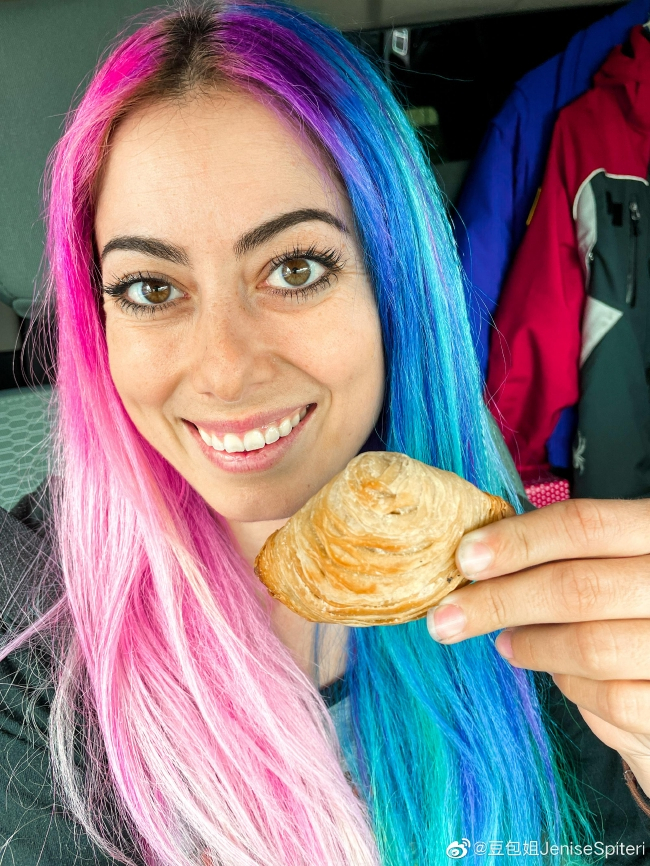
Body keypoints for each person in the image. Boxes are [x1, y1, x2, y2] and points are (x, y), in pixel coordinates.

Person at [1, 2, 650, 864]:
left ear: (395, 284)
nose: (225, 371)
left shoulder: (539, 588)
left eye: (296, 268)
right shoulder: (23, 632)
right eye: (151, 289)